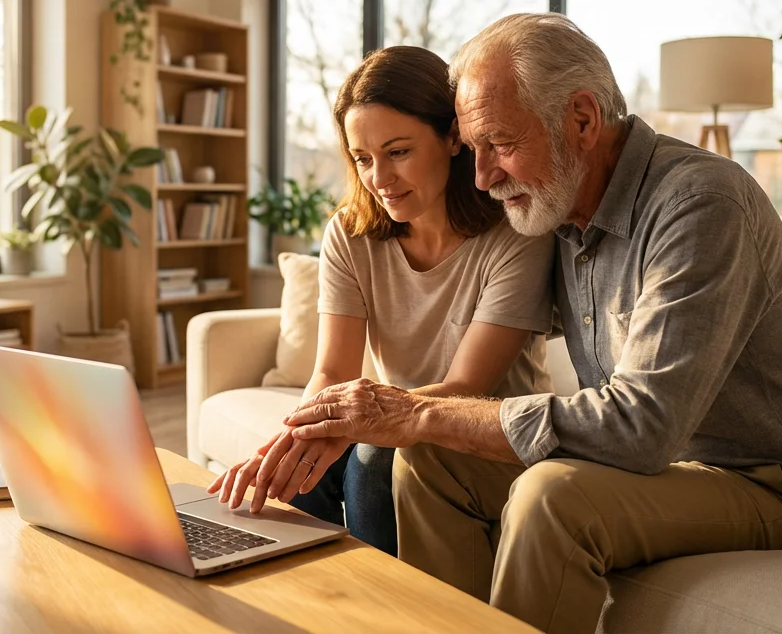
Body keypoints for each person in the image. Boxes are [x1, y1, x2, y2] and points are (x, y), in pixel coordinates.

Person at [280, 13, 782, 633]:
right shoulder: (561, 214)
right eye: (475, 148)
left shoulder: (699, 204)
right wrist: (402, 424)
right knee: (427, 460)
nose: (484, 176)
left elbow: (642, 426)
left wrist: (420, 411)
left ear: (581, 119)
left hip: (763, 484)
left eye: (500, 144)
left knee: (549, 499)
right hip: (644, 468)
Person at [208, 45, 555, 556]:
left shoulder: (516, 234)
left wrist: (356, 426)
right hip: (382, 423)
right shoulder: (350, 234)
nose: (380, 180)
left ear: (453, 136)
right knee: (302, 467)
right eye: (362, 159)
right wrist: (295, 437)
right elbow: (332, 372)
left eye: (398, 152)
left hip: (475, 439)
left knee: (371, 460)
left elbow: (465, 387)